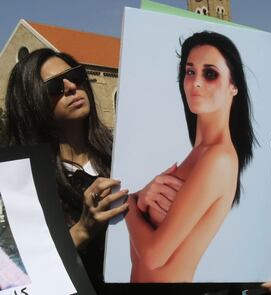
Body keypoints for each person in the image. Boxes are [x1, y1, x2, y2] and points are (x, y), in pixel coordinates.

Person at [5, 48, 183, 293]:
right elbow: (15, 274)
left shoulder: (125, 156)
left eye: (76, 76)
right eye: (55, 86)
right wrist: (81, 230)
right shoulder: (22, 184)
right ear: (30, 102)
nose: (71, 86)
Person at [125, 30, 254, 282]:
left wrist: (127, 204)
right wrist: (141, 201)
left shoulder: (219, 160)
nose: (195, 82)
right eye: (190, 71)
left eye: (210, 74)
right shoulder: (199, 155)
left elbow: (153, 256)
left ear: (233, 86)